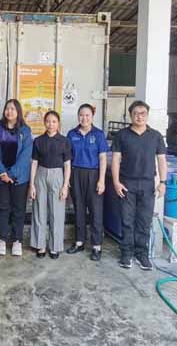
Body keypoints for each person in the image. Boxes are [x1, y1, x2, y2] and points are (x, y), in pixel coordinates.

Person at [111, 100, 168, 270]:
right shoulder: (122, 135)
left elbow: (162, 160)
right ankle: (126, 253)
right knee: (127, 220)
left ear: (147, 115)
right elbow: (115, 160)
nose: (139, 116)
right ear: (131, 115)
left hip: (147, 184)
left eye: (143, 113)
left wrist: (163, 182)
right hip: (127, 183)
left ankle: (141, 254)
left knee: (144, 220)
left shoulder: (155, 136)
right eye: (136, 113)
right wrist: (116, 182)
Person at [0, 99, 33, 257]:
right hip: (0, 177)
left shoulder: (25, 130)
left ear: (18, 111)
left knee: (18, 209)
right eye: (7, 108)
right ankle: (1, 239)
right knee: (3, 208)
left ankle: (17, 240)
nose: (9, 111)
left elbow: (26, 155)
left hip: (19, 177)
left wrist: (12, 174)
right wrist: (2, 173)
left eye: (13, 109)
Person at [66, 104, 109, 261]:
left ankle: (96, 246)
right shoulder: (72, 134)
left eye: (87, 115)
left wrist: (102, 180)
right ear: (78, 116)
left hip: (94, 175)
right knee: (79, 209)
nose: (84, 118)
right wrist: (67, 179)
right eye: (81, 115)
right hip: (76, 173)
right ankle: (79, 242)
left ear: (92, 117)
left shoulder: (98, 134)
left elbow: (103, 158)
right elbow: (67, 159)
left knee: (95, 211)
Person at [29, 111, 72, 259]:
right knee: (39, 210)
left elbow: (67, 165)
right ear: (44, 123)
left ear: (58, 123)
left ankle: (55, 247)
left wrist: (65, 186)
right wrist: (31, 184)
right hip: (40, 174)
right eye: (48, 121)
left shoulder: (64, 141)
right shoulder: (38, 141)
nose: (51, 124)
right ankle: (40, 245)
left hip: (58, 175)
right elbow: (34, 163)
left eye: (54, 121)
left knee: (57, 212)